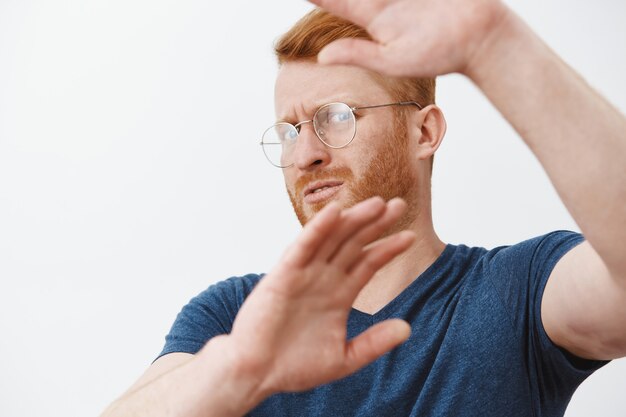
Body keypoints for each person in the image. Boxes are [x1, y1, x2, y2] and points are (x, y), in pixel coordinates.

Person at [102, 0, 626, 416]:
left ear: (424, 131)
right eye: (290, 130)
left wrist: (495, 43)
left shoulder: (517, 292)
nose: (305, 154)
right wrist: (240, 368)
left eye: (336, 117)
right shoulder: (233, 316)